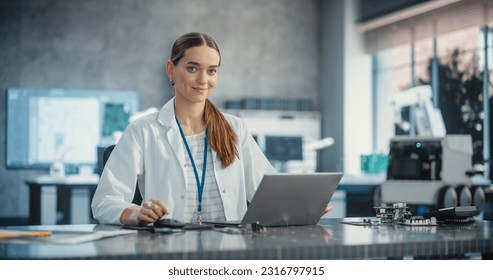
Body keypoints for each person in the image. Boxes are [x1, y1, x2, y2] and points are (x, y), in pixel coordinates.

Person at [91, 32, 331, 226]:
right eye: (193, 68)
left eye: (212, 70)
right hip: (170, 250)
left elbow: (267, 194)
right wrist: (134, 213)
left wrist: (303, 207)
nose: (203, 80)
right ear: (171, 70)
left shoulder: (234, 128)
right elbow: (104, 200)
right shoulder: (143, 131)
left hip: (230, 252)